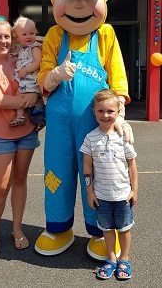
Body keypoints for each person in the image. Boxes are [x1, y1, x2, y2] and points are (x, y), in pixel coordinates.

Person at [35, 0, 134, 259]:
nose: (79, 3)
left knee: (98, 175)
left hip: (97, 123)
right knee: (57, 172)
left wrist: (119, 114)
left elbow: (117, 76)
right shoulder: (54, 35)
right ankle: (59, 227)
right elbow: (43, 78)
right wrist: (54, 75)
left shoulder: (105, 35)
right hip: (60, 123)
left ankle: (99, 231)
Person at [0, 17, 40, 256]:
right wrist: (31, 99)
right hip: (0, 134)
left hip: (26, 131)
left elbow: (38, 75)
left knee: (20, 181)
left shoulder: (20, 59)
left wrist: (36, 96)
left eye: (6, 36)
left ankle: (16, 229)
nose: (3, 41)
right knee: (1, 186)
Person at [80, 89, 138, 280]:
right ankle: (112, 259)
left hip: (122, 195)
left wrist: (134, 190)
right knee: (107, 229)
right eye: (101, 111)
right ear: (94, 112)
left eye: (110, 111)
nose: (105, 115)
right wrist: (89, 192)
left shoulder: (123, 137)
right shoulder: (90, 138)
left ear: (118, 112)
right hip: (102, 195)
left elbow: (132, 166)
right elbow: (87, 168)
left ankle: (125, 259)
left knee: (124, 228)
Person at [9, 16, 45, 132]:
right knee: (32, 100)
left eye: (32, 33)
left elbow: (38, 62)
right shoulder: (22, 48)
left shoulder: (34, 47)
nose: (29, 36)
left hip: (31, 79)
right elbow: (23, 57)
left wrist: (25, 70)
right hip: (27, 80)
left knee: (18, 95)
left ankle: (21, 116)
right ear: (17, 37)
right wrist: (15, 56)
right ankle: (39, 113)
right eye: (24, 34)